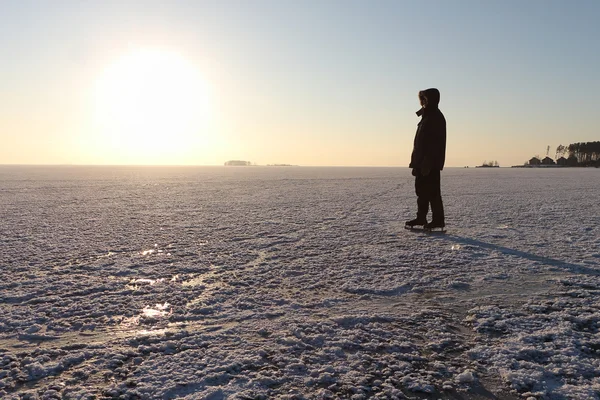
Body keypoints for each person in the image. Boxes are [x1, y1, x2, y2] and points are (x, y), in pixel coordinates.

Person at [405, 88, 446, 230]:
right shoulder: (427, 116)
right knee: (421, 191)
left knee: (433, 193)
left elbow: (435, 143)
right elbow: (420, 142)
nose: (422, 102)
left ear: (430, 100)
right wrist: (416, 163)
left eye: (424, 99)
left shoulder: (435, 117)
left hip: (430, 163)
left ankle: (438, 220)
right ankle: (421, 217)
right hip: (421, 162)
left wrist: (428, 162)